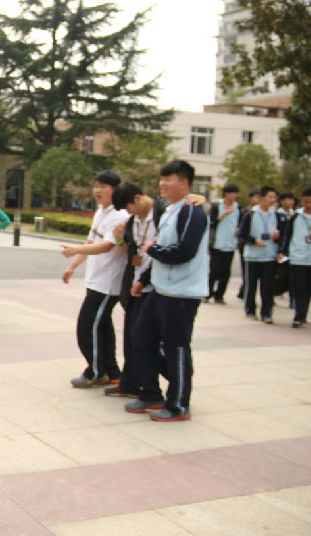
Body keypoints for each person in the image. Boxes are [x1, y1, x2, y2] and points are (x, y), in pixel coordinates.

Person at [123, 160, 209, 422]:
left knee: (176, 349)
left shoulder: (192, 212)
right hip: (160, 290)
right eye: (161, 179)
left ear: (185, 183)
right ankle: (151, 393)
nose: (162, 184)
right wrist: (144, 279)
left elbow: (184, 251)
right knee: (141, 339)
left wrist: (153, 250)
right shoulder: (170, 210)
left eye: (168, 179)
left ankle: (178, 405)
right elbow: (160, 247)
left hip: (181, 294)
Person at [60, 171, 128, 388]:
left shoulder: (120, 216)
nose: (97, 190)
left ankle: (95, 371)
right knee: (102, 327)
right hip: (96, 281)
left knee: (87, 326)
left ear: (115, 190)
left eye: (103, 187)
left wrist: (74, 250)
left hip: (109, 284)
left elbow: (107, 246)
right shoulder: (101, 212)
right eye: (96, 186)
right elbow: (91, 242)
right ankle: (111, 371)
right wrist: (73, 266)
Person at [103, 182, 165, 399]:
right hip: (136, 286)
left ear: (138, 198)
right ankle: (129, 383)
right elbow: (133, 254)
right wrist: (120, 238)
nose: (128, 213)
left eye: (129, 207)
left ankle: (151, 385)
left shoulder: (163, 214)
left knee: (145, 339)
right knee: (131, 337)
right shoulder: (132, 222)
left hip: (156, 287)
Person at [238, 185, 286, 324]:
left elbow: (283, 236)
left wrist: (278, 239)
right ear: (262, 197)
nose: (273, 200)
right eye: (270, 197)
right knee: (251, 285)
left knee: (268, 286)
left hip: (270, 255)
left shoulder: (277, 215)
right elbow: (241, 235)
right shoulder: (250, 214)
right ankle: (250, 310)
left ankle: (267, 313)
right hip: (252, 256)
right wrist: (254, 241)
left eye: (274, 197)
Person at [279, 187, 311, 327]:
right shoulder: (296, 216)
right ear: (301, 201)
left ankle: (303, 314)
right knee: (298, 287)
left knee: (309, 288)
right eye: (305, 202)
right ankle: (298, 316)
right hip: (298, 257)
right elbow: (287, 236)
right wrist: (282, 252)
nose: (308, 205)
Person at [207, 183, 240, 303]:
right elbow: (211, 223)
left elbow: (239, 223)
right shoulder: (217, 206)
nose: (235, 196)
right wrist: (224, 214)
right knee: (214, 271)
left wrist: (238, 231)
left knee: (226, 273)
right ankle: (207, 293)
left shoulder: (237, 207)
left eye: (236, 194)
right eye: (233, 193)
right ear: (226, 194)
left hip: (230, 244)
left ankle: (219, 295)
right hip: (217, 244)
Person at [236, 189, 261, 299]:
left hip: (258, 245)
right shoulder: (245, 212)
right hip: (245, 244)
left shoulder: (260, 212)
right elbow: (240, 228)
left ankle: (243, 291)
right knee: (246, 270)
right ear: (250, 198)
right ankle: (244, 292)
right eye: (255, 197)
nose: (257, 199)